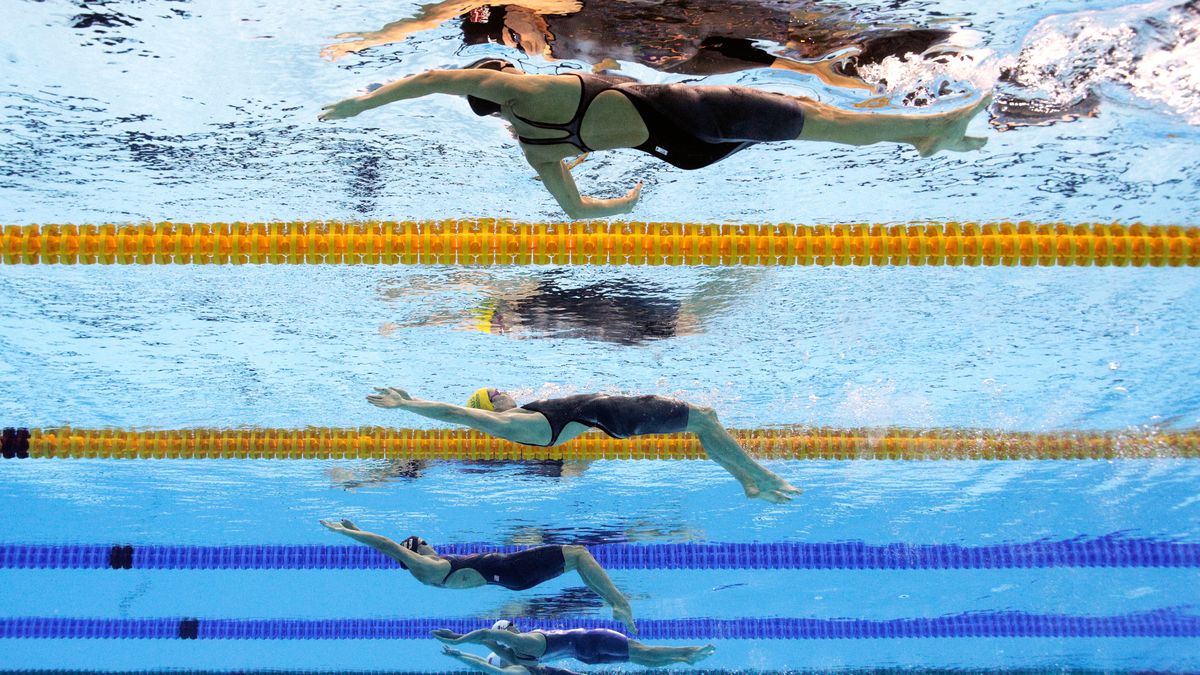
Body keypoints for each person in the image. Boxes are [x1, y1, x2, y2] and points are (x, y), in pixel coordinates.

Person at [319, 59, 990, 218]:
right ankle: (929, 132)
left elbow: (578, 213)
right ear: (496, 83)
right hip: (694, 113)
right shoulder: (525, 89)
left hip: (685, 153)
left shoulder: (533, 142)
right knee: (824, 121)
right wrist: (361, 100)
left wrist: (624, 204)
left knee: (814, 125)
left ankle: (932, 138)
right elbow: (437, 77)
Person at [365, 387, 800, 503]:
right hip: (613, 415)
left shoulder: (525, 416)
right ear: (489, 408)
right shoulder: (511, 425)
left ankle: (746, 479)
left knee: (705, 422)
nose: (499, 392)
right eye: (492, 394)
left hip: (611, 415)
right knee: (705, 419)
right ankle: (760, 475)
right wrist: (409, 404)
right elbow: (457, 415)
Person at [318, 519, 636, 632]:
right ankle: (619, 603)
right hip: (512, 570)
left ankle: (616, 603)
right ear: (417, 550)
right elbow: (389, 545)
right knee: (579, 554)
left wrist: (357, 531)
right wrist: (351, 534)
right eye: (425, 542)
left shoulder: (426, 572)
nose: (432, 544)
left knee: (578, 559)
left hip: (511, 576)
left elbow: (390, 549)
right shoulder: (428, 567)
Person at [433, 619, 715, 667]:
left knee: (640, 660)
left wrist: (458, 650)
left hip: (585, 659)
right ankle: (688, 651)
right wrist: (458, 639)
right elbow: (485, 636)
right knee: (642, 651)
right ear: (509, 630)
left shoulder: (519, 659)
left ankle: (683, 659)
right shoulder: (522, 640)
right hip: (589, 639)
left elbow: (488, 646)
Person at [441, 645, 580, 675]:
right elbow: (481, 665)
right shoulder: (512, 672)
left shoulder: (514, 669)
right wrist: (457, 656)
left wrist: (460, 654)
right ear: (502, 663)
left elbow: (482, 661)